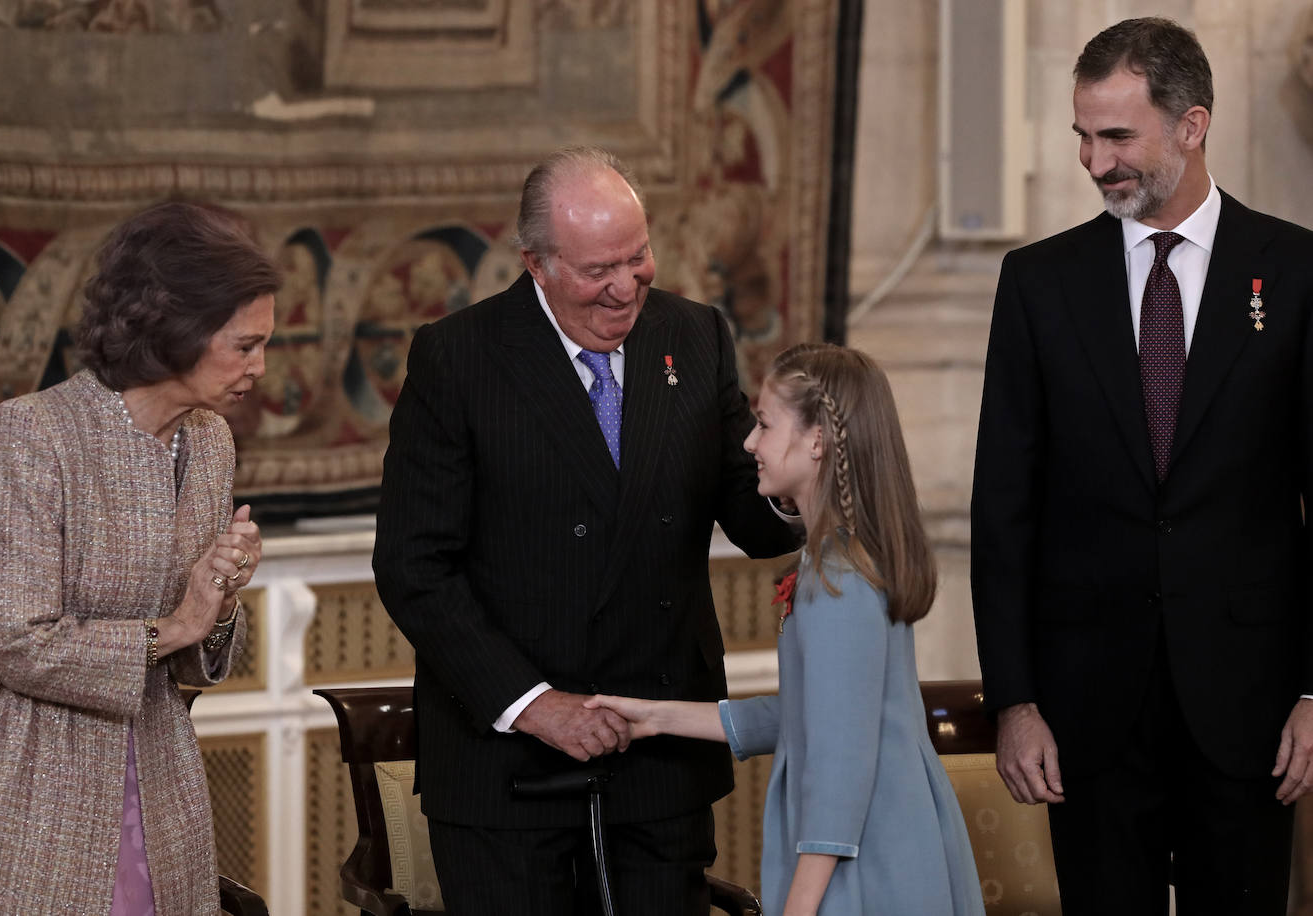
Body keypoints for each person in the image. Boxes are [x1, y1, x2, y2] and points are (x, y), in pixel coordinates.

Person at [372, 145, 798, 915]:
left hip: (659, 755)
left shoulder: (695, 336)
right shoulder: (459, 358)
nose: (625, 286)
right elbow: (414, 567)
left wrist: (816, 477)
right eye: (598, 269)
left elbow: (756, 518)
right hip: (506, 767)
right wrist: (537, 705)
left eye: (638, 257)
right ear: (536, 263)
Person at [971, 17, 1313, 914]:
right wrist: (1014, 702)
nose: (1094, 160)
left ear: (1192, 125)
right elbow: (1003, 511)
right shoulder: (1038, 284)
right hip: (1086, 719)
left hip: (1249, 715)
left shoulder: (1298, 272)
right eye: (1082, 134)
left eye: (1117, 135)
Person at [0, 201, 279, 915]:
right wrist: (178, 626)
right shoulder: (33, 435)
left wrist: (219, 595)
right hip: (28, 783)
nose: (261, 366)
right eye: (244, 345)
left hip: (157, 778)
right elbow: (15, 641)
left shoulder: (210, 441)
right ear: (177, 331)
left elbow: (198, 656)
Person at [589, 343, 985, 916]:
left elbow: (841, 764)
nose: (749, 442)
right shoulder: (840, 559)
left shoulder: (836, 579)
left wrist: (796, 908)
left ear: (818, 440)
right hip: (886, 844)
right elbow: (810, 713)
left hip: (866, 866)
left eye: (765, 424)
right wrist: (657, 716)